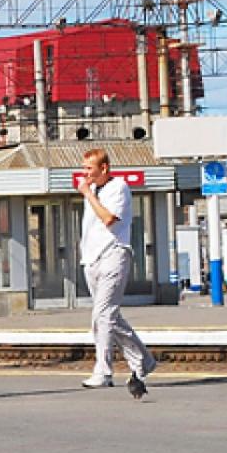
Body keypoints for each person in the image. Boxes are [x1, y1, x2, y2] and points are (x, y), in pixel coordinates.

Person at [77, 148, 155, 393]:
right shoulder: (95, 191)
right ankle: (144, 360)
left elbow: (109, 219)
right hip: (92, 258)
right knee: (110, 316)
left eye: (89, 168)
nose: (85, 173)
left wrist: (88, 194)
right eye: (84, 168)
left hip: (114, 254)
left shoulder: (118, 188)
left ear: (104, 168)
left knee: (102, 315)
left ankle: (103, 371)